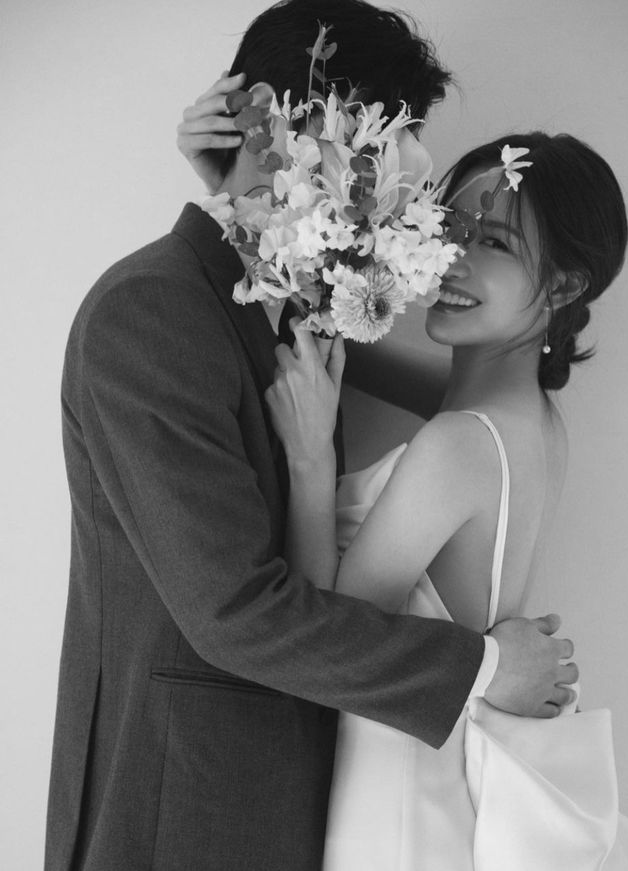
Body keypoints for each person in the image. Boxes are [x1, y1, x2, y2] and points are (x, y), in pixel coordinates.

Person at [46, 3, 576, 870]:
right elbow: (234, 612)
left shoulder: (281, 301)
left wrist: (240, 183)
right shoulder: (149, 313)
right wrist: (481, 670)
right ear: (275, 120)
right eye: (368, 151)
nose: (385, 193)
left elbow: (358, 344)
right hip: (184, 807)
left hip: (299, 792)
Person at [261, 133, 628, 868]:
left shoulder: (458, 445)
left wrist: (309, 455)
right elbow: (421, 385)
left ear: (566, 286)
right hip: (435, 781)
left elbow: (328, 642)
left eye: (495, 243)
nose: (454, 257)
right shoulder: (534, 421)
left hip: (388, 806)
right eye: (449, 227)